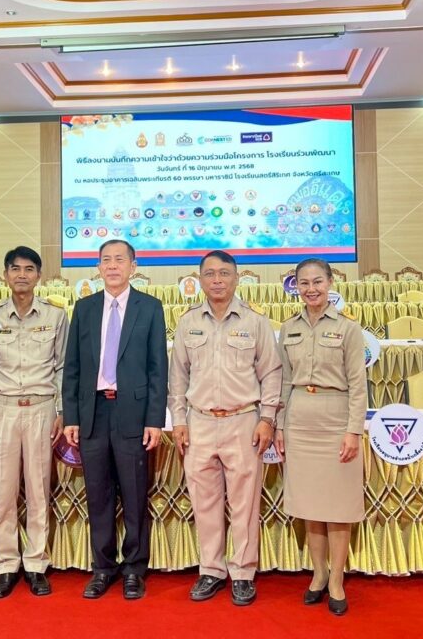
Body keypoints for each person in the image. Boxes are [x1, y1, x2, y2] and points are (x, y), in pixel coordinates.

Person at [169, 249, 282, 607]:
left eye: (224, 274)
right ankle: (211, 570)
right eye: (210, 274)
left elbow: (271, 372)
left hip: (243, 421)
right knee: (204, 502)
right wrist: (179, 420)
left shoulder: (255, 321)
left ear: (236, 278)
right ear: (200, 279)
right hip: (200, 422)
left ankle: (243, 572)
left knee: (245, 503)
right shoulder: (188, 322)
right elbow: (178, 376)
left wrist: (267, 418)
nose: (217, 280)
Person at [62, 239, 168, 600]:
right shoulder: (85, 308)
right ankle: (103, 568)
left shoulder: (150, 307)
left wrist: (155, 420)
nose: (112, 266)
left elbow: (158, 368)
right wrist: (71, 416)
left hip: (132, 413)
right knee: (98, 494)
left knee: (135, 494)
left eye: (119, 260)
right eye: (105, 260)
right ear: (98, 267)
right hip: (92, 412)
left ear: (132, 266)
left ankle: (135, 568)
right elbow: (73, 367)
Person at [275, 258, 367, 616]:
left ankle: (337, 581)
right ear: (295, 286)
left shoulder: (348, 329)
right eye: (304, 283)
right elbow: (284, 381)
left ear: (330, 283)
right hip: (300, 417)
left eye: (317, 282)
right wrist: (280, 425)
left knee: (337, 506)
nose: (311, 289)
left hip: (336, 417)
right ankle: (318, 574)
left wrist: (353, 430)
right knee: (311, 505)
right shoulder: (288, 328)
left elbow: (358, 384)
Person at [0, 246, 67, 598]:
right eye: (15, 269)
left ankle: (36, 563)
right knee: (3, 490)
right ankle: (6, 564)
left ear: (39, 276)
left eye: (29, 269)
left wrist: (62, 410)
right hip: (2, 410)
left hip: (41, 409)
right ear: (5, 275)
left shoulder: (56, 315)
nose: (22, 275)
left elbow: (62, 367)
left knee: (38, 489)